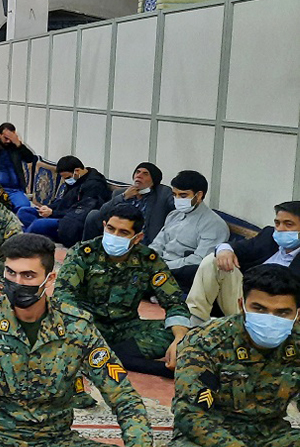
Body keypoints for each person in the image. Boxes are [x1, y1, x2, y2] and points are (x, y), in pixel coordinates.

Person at [0, 233, 161, 447]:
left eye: (28, 276)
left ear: (49, 279)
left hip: (55, 442)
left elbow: (124, 398)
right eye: (11, 273)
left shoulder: (77, 326)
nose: (17, 282)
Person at [166, 264, 300, 447]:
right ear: (242, 305)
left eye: (282, 312)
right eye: (259, 309)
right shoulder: (206, 342)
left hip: (272, 435)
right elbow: (190, 416)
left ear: (297, 314)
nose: (270, 318)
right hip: (211, 439)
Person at [55, 204, 191, 378]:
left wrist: (179, 338)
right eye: (111, 229)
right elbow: (63, 295)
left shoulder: (148, 260)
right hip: (87, 325)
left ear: (137, 237)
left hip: (126, 329)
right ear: (104, 226)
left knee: (187, 332)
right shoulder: (83, 254)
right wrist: (82, 326)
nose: (114, 236)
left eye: (123, 233)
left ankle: (106, 355)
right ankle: (128, 360)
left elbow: (174, 302)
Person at [186, 200, 300, 326]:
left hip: (276, 312)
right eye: (277, 223)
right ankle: (195, 322)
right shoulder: (269, 237)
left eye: (288, 225)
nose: (280, 229)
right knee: (214, 260)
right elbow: (238, 247)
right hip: (244, 299)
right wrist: (225, 250)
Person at [149, 170, 229, 292]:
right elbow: (158, 243)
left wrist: (163, 267)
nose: (177, 199)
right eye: (174, 195)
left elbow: (200, 260)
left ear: (199, 195)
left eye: (183, 196)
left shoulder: (214, 224)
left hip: (182, 274)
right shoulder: (173, 215)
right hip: (160, 268)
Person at [17, 155, 110, 245]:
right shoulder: (76, 179)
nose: (66, 181)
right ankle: (36, 232)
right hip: (60, 214)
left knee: (38, 225)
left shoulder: (94, 186)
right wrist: (48, 208)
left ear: (77, 171)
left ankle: (29, 235)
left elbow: (79, 212)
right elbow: (64, 201)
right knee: (24, 212)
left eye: (67, 178)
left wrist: (53, 213)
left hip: (71, 222)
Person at [83, 162, 174, 244]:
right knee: (93, 215)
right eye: (137, 172)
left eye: (145, 174)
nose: (139, 175)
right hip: (120, 234)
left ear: (153, 180)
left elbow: (175, 206)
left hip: (145, 239)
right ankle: (86, 250)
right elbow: (103, 212)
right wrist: (124, 197)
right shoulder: (121, 193)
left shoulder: (162, 193)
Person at [0, 122, 38, 213]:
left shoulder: (16, 148)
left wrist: (18, 144)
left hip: (15, 190)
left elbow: (31, 159)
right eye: (6, 138)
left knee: (24, 208)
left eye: (11, 138)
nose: (8, 141)